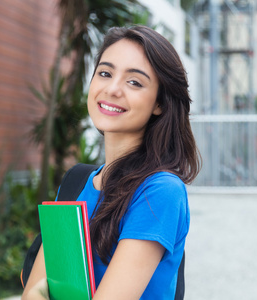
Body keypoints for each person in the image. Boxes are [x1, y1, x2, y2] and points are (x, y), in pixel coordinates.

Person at [22, 25, 201, 300]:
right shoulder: (75, 184)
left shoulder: (160, 192)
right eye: (105, 73)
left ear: (160, 103)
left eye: (134, 82)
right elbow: (32, 293)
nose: (113, 89)